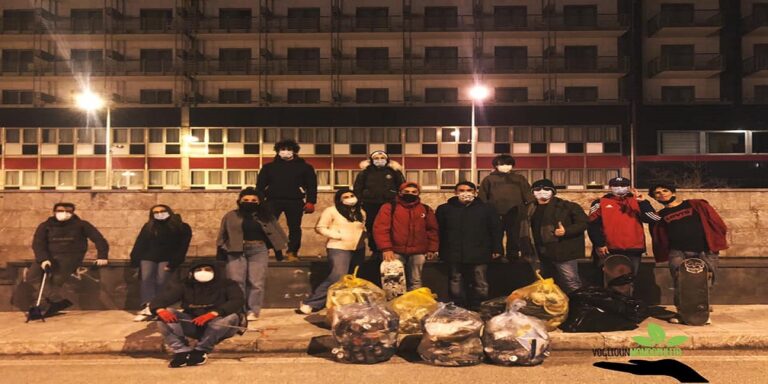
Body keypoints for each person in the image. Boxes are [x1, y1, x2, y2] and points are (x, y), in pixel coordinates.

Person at [642, 182, 727, 324]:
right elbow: (647, 217)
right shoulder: (661, 215)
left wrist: (716, 242)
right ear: (654, 197)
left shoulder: (696, 205)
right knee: (680, 282)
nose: (662, 193)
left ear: (673, 192)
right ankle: (682, 312)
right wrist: (642, 201)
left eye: (665, 190)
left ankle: (701, 312)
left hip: (704, 250)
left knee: (704, 282)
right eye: (657, 192)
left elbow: (716, 223)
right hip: (678, 252)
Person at [150, 262, 245, 368]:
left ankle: (201, 350)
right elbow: (160, 300)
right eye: (199, 270)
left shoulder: (228, 284)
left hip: (220, 325)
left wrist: (213, 313)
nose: (203, 273)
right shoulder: (185, 285)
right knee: (164, 314)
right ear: (192, 273)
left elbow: (237, 301)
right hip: (195, 323)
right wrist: (160, 310)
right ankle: (181, 351)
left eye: (207, 269)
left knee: (231, 317)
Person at [217, 187, 288, 321]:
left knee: (256, 282)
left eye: (254, 200)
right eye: (246, 200)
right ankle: (238, 310)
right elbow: (223, 234)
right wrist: (220, 253)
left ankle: (252, 310)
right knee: (236, 281)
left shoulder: (266, 216)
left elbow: (276, 233)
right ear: (239, 201)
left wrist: (279, 251)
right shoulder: (231, 215)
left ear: (260, 201)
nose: (250, 202)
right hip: (235, 250)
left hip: (258, 249)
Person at [28, 202, 109, 316]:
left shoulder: (81, 225)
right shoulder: (46, 225)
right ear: (54, 212)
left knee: (56, 280)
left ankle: (46, 305)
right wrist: (43, 259)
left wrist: (102, 256)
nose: (64, 213)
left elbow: (99, 239)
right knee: (32, 276)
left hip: (69, 257)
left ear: (72, 213)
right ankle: (56, 301)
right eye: (60, 211)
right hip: (48, 256)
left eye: (68, 211)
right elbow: (38, 243)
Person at [436, 181, 503, 310]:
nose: (465, 193)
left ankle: (480, 306)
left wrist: (497, 248)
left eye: (469, 190)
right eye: (461, 190)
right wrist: (438, 249)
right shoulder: (444, 209)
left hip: (480, 251)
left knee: (480, 280)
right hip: (453, 251)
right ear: (455, 193)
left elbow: (496, 229)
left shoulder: (487, 208)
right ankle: (458, 306)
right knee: (455, 279)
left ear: (475, 192)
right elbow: (439, 230)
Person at [298, 188, 366, 314]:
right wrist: (337, 235)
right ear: (339, 199)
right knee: (337, 276)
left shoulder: (360, 212)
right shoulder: (331, 211)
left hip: (358, 248)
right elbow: (320, 227)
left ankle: (346, 304)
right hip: (338, 247)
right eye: (345, 197)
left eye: (352, 195)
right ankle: (311, 303)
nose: (350, 198)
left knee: (353, 278)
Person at [518, 179, 588, 293]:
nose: (542, 191)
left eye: (546, 189)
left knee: (571, 282)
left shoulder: (567, 206)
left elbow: (584, 223)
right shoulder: (527, 209)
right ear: (533, 192)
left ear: (553, 191)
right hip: (538, 253)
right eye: (537, 189)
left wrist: (566, 231)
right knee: (543, 284)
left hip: (562, 251)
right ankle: (552, 308)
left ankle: (580, 306)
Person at [256, 139, 317, 262]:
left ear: (294, 151)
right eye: (282, 149)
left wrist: (311, 201)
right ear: (277, 151)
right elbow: (260, 186)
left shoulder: (305, 167)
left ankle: (292, 252)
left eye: (289, 149)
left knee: (294, 227)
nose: (286, 152)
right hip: (272, 200)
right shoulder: (268, 167)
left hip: (295, 201)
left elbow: (312, 185)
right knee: (268, 227)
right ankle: (266, 250)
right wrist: (260, 201)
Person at [130, 204, 192, 321]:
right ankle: (148, 306)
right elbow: (140, 243)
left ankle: (159, 306)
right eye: (156, 212)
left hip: (168, 258)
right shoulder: (149, 226)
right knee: (146, 280)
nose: (159, 213)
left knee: (162, 281)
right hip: (148, 257)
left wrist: (175, 262)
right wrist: (134, 260)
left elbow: (183, 246)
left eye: (162, 211)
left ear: (169, 211)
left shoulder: (182, 227)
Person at [373, 182, 439, 291]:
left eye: (414, 192)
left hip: (418, 252)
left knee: (416, 280)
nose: (410, 194)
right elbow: (381, 229)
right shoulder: (389, 207)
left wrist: (432, 248)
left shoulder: (425, 209)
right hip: (395, 252)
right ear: (400, 193)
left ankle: (414, 303)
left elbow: (432, 230)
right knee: (394, 281)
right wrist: (386, 249)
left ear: (418, 193)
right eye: (406, 192)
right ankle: (394, 305)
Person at [587, 177, 652, 280]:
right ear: (610, 187)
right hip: (608, 249)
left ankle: (629, 296)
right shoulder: (600, 202)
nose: (619, 188)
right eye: (616, 186)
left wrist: (642, 202)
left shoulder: (637, 201)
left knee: (630, 280)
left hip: (633, 248)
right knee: (607, 280)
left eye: (623, 185)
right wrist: (600, 243)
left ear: (629, 187)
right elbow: (592, 224)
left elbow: (652, 219)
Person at [479, 155, 533, 261]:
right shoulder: (488, 179)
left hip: (516, 212)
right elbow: (483, 197)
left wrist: (527, 209)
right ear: (496, 165)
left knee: (514, 234)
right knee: (496, 235)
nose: (506, 166)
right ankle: (497, 254)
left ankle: (513, 255)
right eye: (502, 164)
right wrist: (485, 211)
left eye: (508, 164)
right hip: (495, 212)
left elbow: (528, 195)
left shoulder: (519, 178)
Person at [353, 150, 405, 254]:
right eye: (376, 158)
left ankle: (390, 249)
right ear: (371, 160)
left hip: (390, 205)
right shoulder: (365, 172)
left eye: (382, 158)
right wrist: (359, 202)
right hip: (370, 205)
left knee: (390, 227)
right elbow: (357, 188)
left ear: (387, 159)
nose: (379, 160)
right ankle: (375, 250)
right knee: (372, 227)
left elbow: (402, 187)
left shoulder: (394, 171)